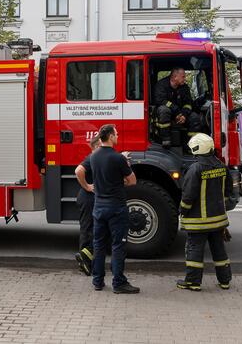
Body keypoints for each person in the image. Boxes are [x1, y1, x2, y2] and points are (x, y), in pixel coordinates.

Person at [79, 124, 139, 294]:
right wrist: (125, 164)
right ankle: (118, 282)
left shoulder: (93, 156)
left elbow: (81, 171)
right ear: (110, 137)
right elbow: (132, 181)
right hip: (116, 208)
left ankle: (97, 281)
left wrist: (88, 187)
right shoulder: (118, 158)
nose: (118, 137)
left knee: (98, 245)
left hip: (99, 207)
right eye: (116, 134)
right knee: (117, 245)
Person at [177, 133, 234, 292]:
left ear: (197, 148)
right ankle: (225, 281)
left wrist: (182, 211)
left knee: (194, 250)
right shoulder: (221, 166)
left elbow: (188, 195)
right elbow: (228, 191)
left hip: (198, 221)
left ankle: (193, 283)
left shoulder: (195, 168)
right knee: (219, 250)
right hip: (218, 220)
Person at [153, 68, 202, 147]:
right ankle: (166, 140)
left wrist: (184, 115)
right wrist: (176, 111)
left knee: (194, 117)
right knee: (164, 110)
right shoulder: (161, 85)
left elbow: (188, 103)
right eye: (183, 77)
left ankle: (191, 146)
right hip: (168, 112)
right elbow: (160, 100)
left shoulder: (184, 87)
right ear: (175, 77)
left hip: (181, 113)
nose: (185, 79)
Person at [74, 135, 101, 276]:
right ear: (96, 146)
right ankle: (84, 259)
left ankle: (85, 260)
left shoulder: (97, 158)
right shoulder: (92, 158)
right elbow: (78, 171)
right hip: (88, 198)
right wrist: (88, 187)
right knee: (88, 229)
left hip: (89, 198)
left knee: (90, 229)